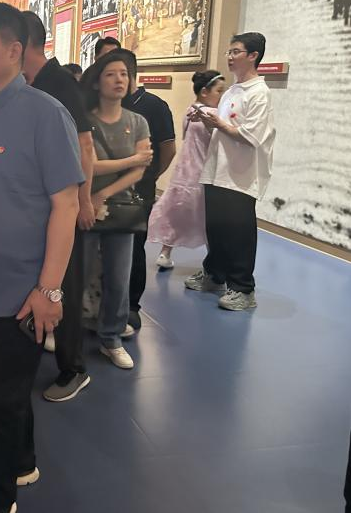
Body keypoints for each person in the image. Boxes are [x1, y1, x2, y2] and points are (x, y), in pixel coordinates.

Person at [0, 2, 83, 513]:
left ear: (14, 51)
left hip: (23, 289)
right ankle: (20, 461)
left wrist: (50, 289)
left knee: (3, 397)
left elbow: (66, 204)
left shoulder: (46, 114)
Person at [21, 10, 95, 403]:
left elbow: (85, 145)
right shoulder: (27, 84)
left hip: (64, 203)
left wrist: (83, 200)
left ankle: (74, 368)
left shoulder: (58, 83)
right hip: (39, 206)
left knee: (65, 283)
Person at [186, 32, 276, 311]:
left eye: (236, 51)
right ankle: (214, 275)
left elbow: (251, 136)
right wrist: (206, 119)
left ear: (253, 56)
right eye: (229, 51)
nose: (230, 57)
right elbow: (221, 129)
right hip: (218, 169)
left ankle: (243, 289)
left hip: (240, 174)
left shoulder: (260, 93)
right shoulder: (233, 91)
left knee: (238, 232)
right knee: (217, 227)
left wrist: (218, 122)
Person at [81, 52, 152, 370]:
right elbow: (90, 165)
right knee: (79, 274)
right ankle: (67, 329)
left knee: (118, 277)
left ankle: (111, 337)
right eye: (111, 74)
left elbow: (140, 171)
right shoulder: (85, 120)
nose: (119, 80)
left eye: (124, 73)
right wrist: (132, 160)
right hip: (84, 207)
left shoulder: (137, 122)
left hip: (121, 209)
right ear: (97, 82)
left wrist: (103, 194)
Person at [115, 50, 176, 330]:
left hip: (138, 192)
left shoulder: (154, 107)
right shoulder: (102, 104)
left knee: (133, 248)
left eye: (119, 73)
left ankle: (131, 305)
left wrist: (150, 177)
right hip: (105, 190)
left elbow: (168, 149)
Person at [147, 71, 225, 269]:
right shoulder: (213, 115)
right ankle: (215, 261)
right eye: (219, 91)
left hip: (184, 171)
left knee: (175, 213)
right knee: (209, 218)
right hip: (204, 172)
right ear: (205, 92)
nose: (221, 96)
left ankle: (165, 252)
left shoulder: (190, 111)